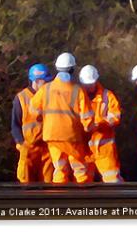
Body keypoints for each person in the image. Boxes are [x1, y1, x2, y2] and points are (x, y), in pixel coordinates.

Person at [29, 52, 95, 183]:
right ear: (72, 69)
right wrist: (89, 131)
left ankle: (58, 199)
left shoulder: (46, 89)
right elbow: (87, 119)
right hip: (72, 137)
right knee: (80, 170)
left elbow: (33, 110)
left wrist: (42, 119)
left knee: (59, 169)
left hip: (52, 135)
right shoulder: (78, 90)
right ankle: (84, 199)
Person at [79, 65, 124, 183]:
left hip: (104, 148)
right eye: (86, 84)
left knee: (112, 180)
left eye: (91, 83)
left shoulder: (107, 96)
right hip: (84, 148)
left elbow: (116, 116)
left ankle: (118, 201)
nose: (89, 86)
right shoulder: (78, 95)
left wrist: (99, 124)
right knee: (82, 183)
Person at [11, 63, 54, 183]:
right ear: (37, 80)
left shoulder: (50, 96)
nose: (47, 84)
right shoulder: (21, 98)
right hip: (28, 148)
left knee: (49, 184)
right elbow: (15, 125)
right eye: (45, 81)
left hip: (46, 148)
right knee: (26, 183)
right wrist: (21, 143)